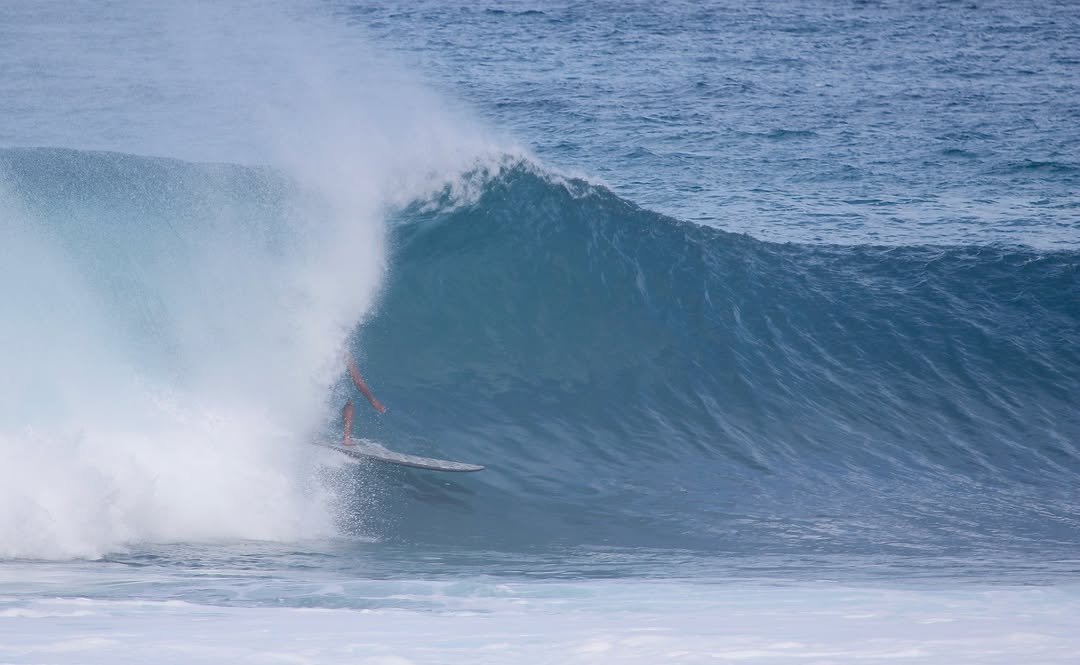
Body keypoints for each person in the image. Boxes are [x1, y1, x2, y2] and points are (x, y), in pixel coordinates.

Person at [342, 352, 386, 445]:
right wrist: (373, 401)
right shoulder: (344, 354)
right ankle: (346, 438)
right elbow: (358, 381)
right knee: (348, 402)